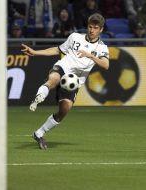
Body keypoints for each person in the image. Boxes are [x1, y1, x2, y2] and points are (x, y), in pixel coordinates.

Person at [21, 13, 109, 150]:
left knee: (64, 111)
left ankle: (39, 133)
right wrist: (36, 52)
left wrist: (90, 56)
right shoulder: (75, 37)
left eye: (95, 28)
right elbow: (58, 49)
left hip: (74, 81)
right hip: (63, 67)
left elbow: (105, 65)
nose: (92, 30)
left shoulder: (102, 48)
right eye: (90, 27)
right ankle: (40, 96)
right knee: (53, 79)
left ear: (101, 29)